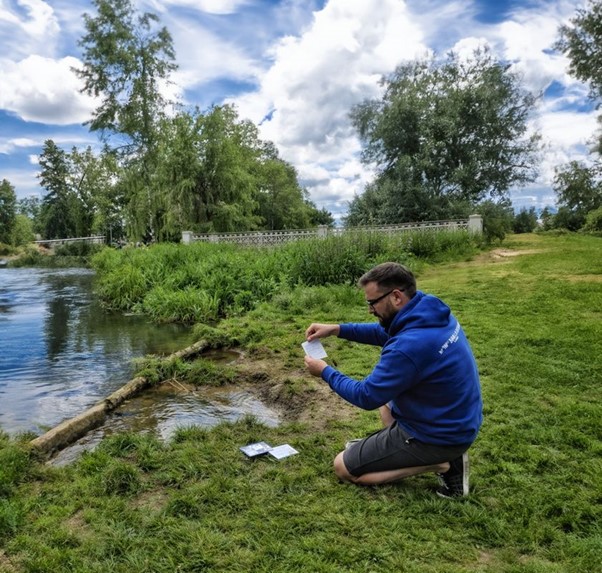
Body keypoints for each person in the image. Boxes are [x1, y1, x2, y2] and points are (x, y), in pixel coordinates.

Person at [303, 262, 482, 498]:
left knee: (343, 467)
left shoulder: (409, 347)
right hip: (457, 419)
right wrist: (336, 329)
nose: (370, 310)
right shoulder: (428, 310)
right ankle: (401, 450)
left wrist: (325, 371)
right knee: (386, 400)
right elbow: (384, 333)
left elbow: (366, 396)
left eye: (372, 302)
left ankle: (442, 463)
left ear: (396, 297)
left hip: (440, 434)